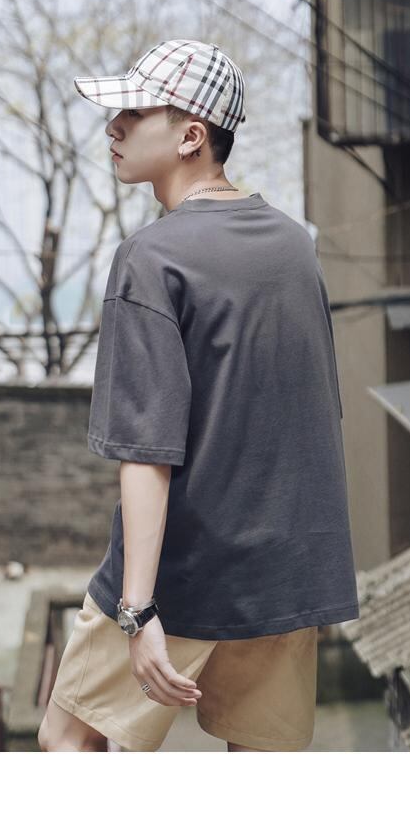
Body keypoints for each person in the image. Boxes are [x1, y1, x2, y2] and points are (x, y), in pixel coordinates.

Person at [37, 37, 358, 758]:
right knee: (259, 768)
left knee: (68, 738)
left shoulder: (150, 257)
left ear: (191, 136)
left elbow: (146, 452)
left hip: (185, 570)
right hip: (288, 571)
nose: (114, 127)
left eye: (134, 113)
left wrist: (136, 608)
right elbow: (312, 416)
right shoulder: (294, 244)